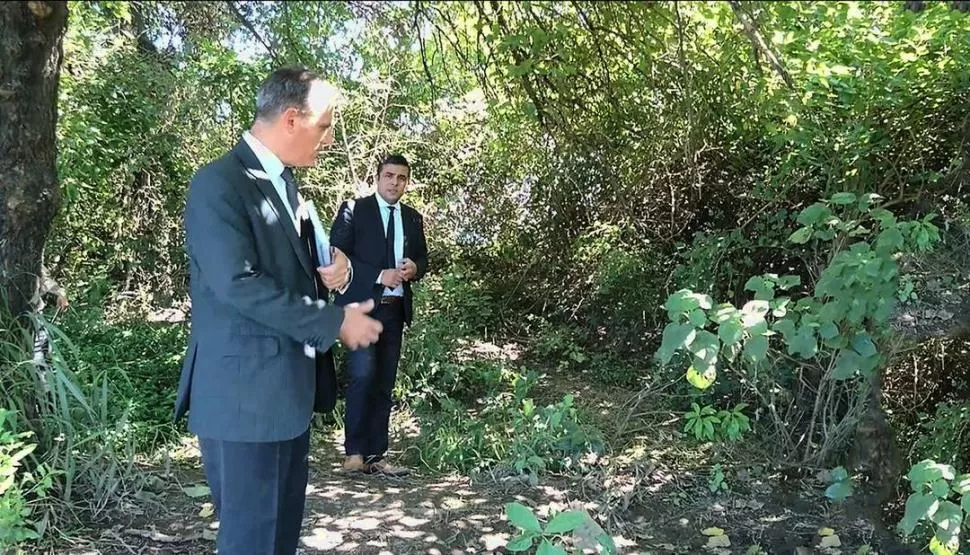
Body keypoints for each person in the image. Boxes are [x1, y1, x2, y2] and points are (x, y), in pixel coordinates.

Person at [174, 66, 384, 555]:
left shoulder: (287, 187)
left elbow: (300, 274)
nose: (329, 139)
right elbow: (237, 284)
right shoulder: (219, 184)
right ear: (292, 118)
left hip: (287, 396)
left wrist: (340, 272)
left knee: (281, 534)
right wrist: (336, 321)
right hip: (244, 398)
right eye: (326, 125)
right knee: (250, 540)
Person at [330, 154, 428, 477]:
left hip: (395, 311)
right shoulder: (354, 211)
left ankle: (376, 454)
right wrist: (377, 275)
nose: (395, 183)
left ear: (407, 182)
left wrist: (415, 268)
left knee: (385, 382)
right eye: (389, 175)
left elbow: (423, 261)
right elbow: (335, 258)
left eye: (401, 178)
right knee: (361, 377)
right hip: (361, 310)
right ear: (378, 177)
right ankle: (354, 453)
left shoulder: (413, 219)